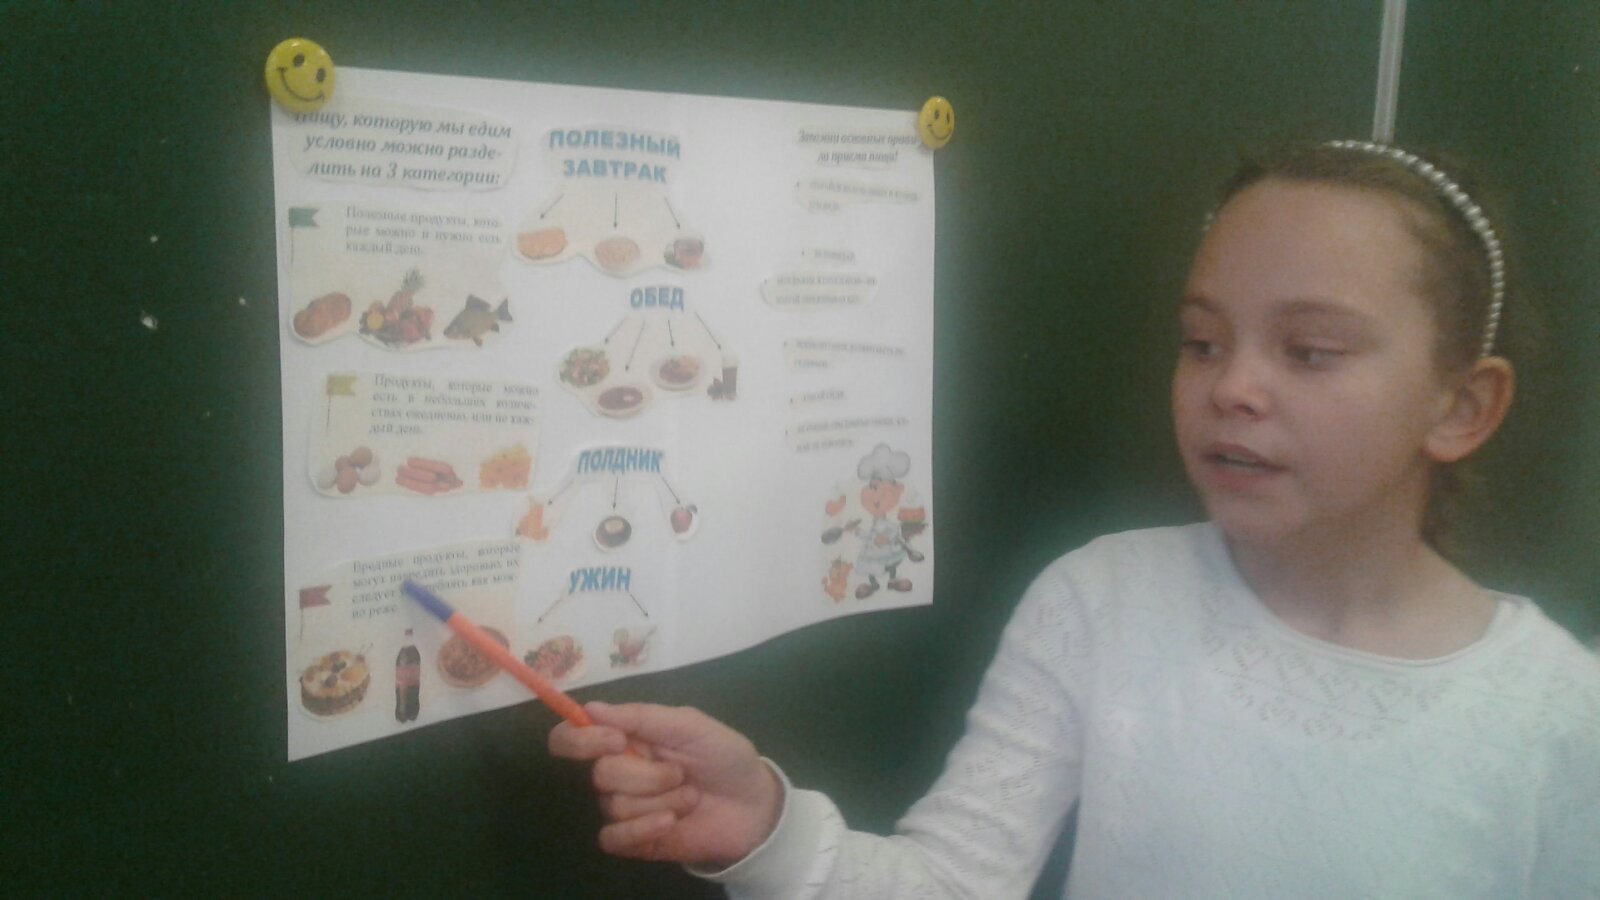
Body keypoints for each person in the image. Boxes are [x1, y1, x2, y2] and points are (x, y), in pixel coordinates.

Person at [549, 141, 1600, 898]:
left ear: (1460, 408)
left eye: (1310, 351)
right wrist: (769, 830)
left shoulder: (1554, 716)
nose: (1232, 387)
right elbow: (957, 882)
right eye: (1202, 341)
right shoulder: (1104, 600)